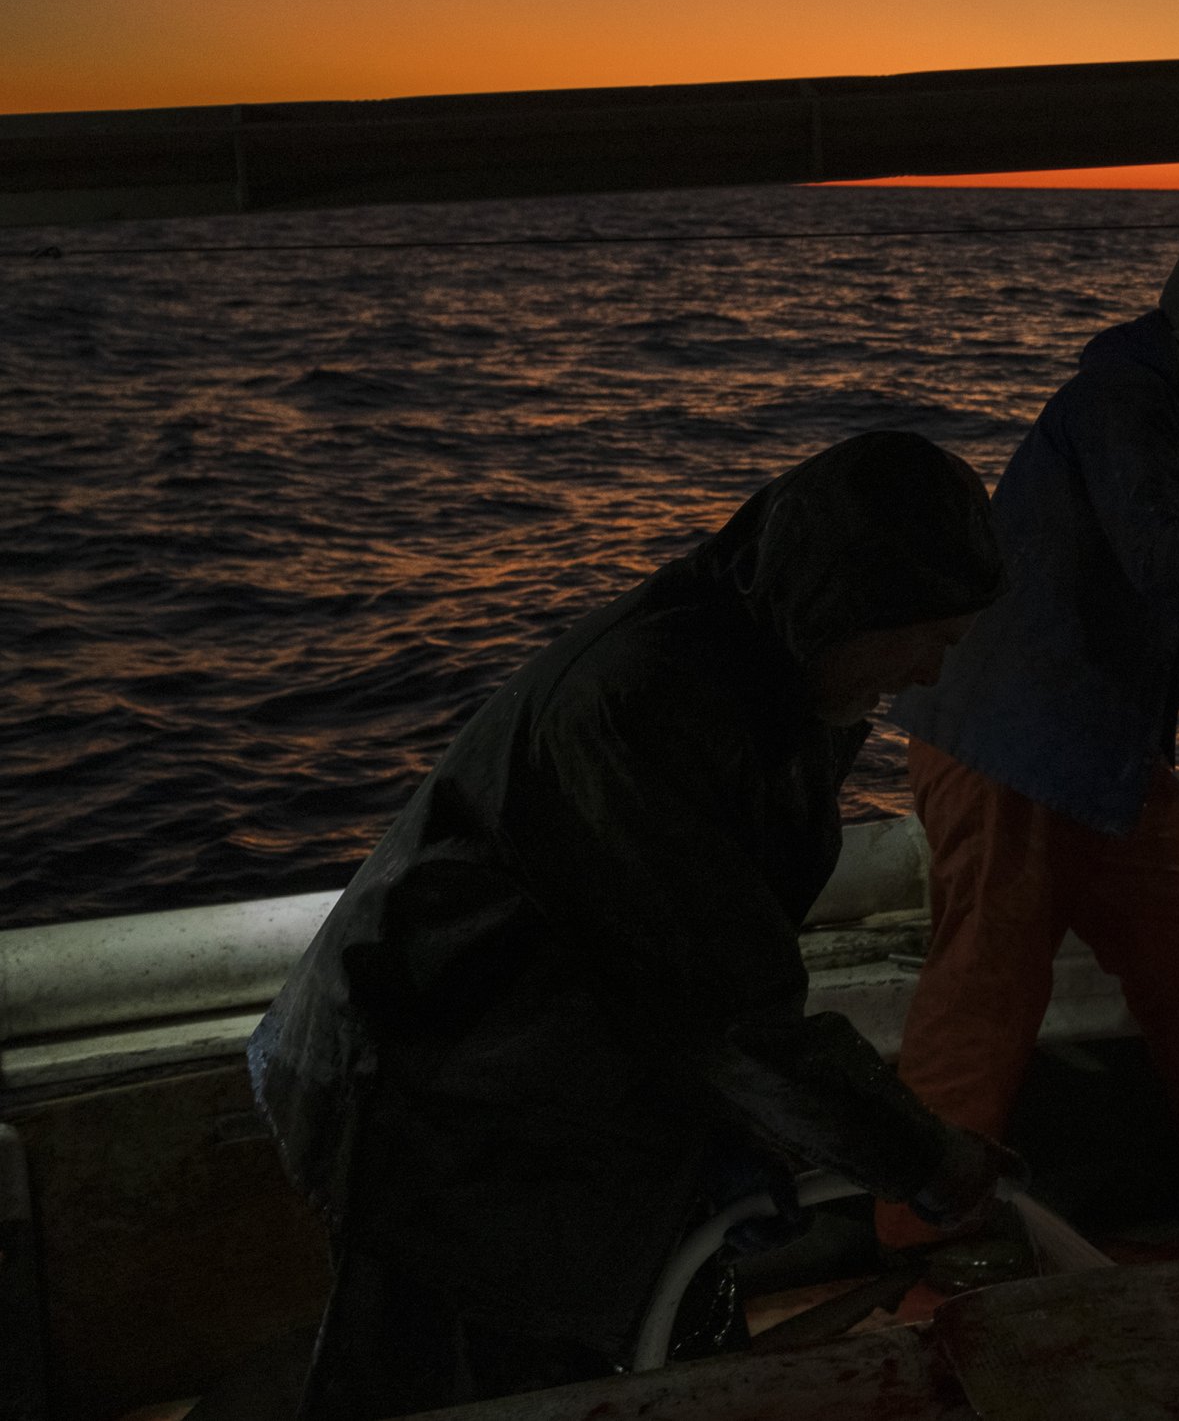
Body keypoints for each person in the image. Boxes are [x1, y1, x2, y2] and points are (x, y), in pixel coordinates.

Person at [249, 431, 1019, 1420]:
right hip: (438, 1094)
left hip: (559, 1060)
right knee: (447, 1384)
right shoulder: (640, 703)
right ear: (851, 597)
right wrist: (919, 1153)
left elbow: (688, 962)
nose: (923, 673)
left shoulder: (778, 666)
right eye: (929, 636)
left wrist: (731, 1134)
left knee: (674, 1356)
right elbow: (728, 1009)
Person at [877, 228, 1179, 1254]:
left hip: (1098, 757)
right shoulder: (1122, 402)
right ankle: (919, 1245)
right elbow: (1167, 559)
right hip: (1011, 750)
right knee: (987, 985)